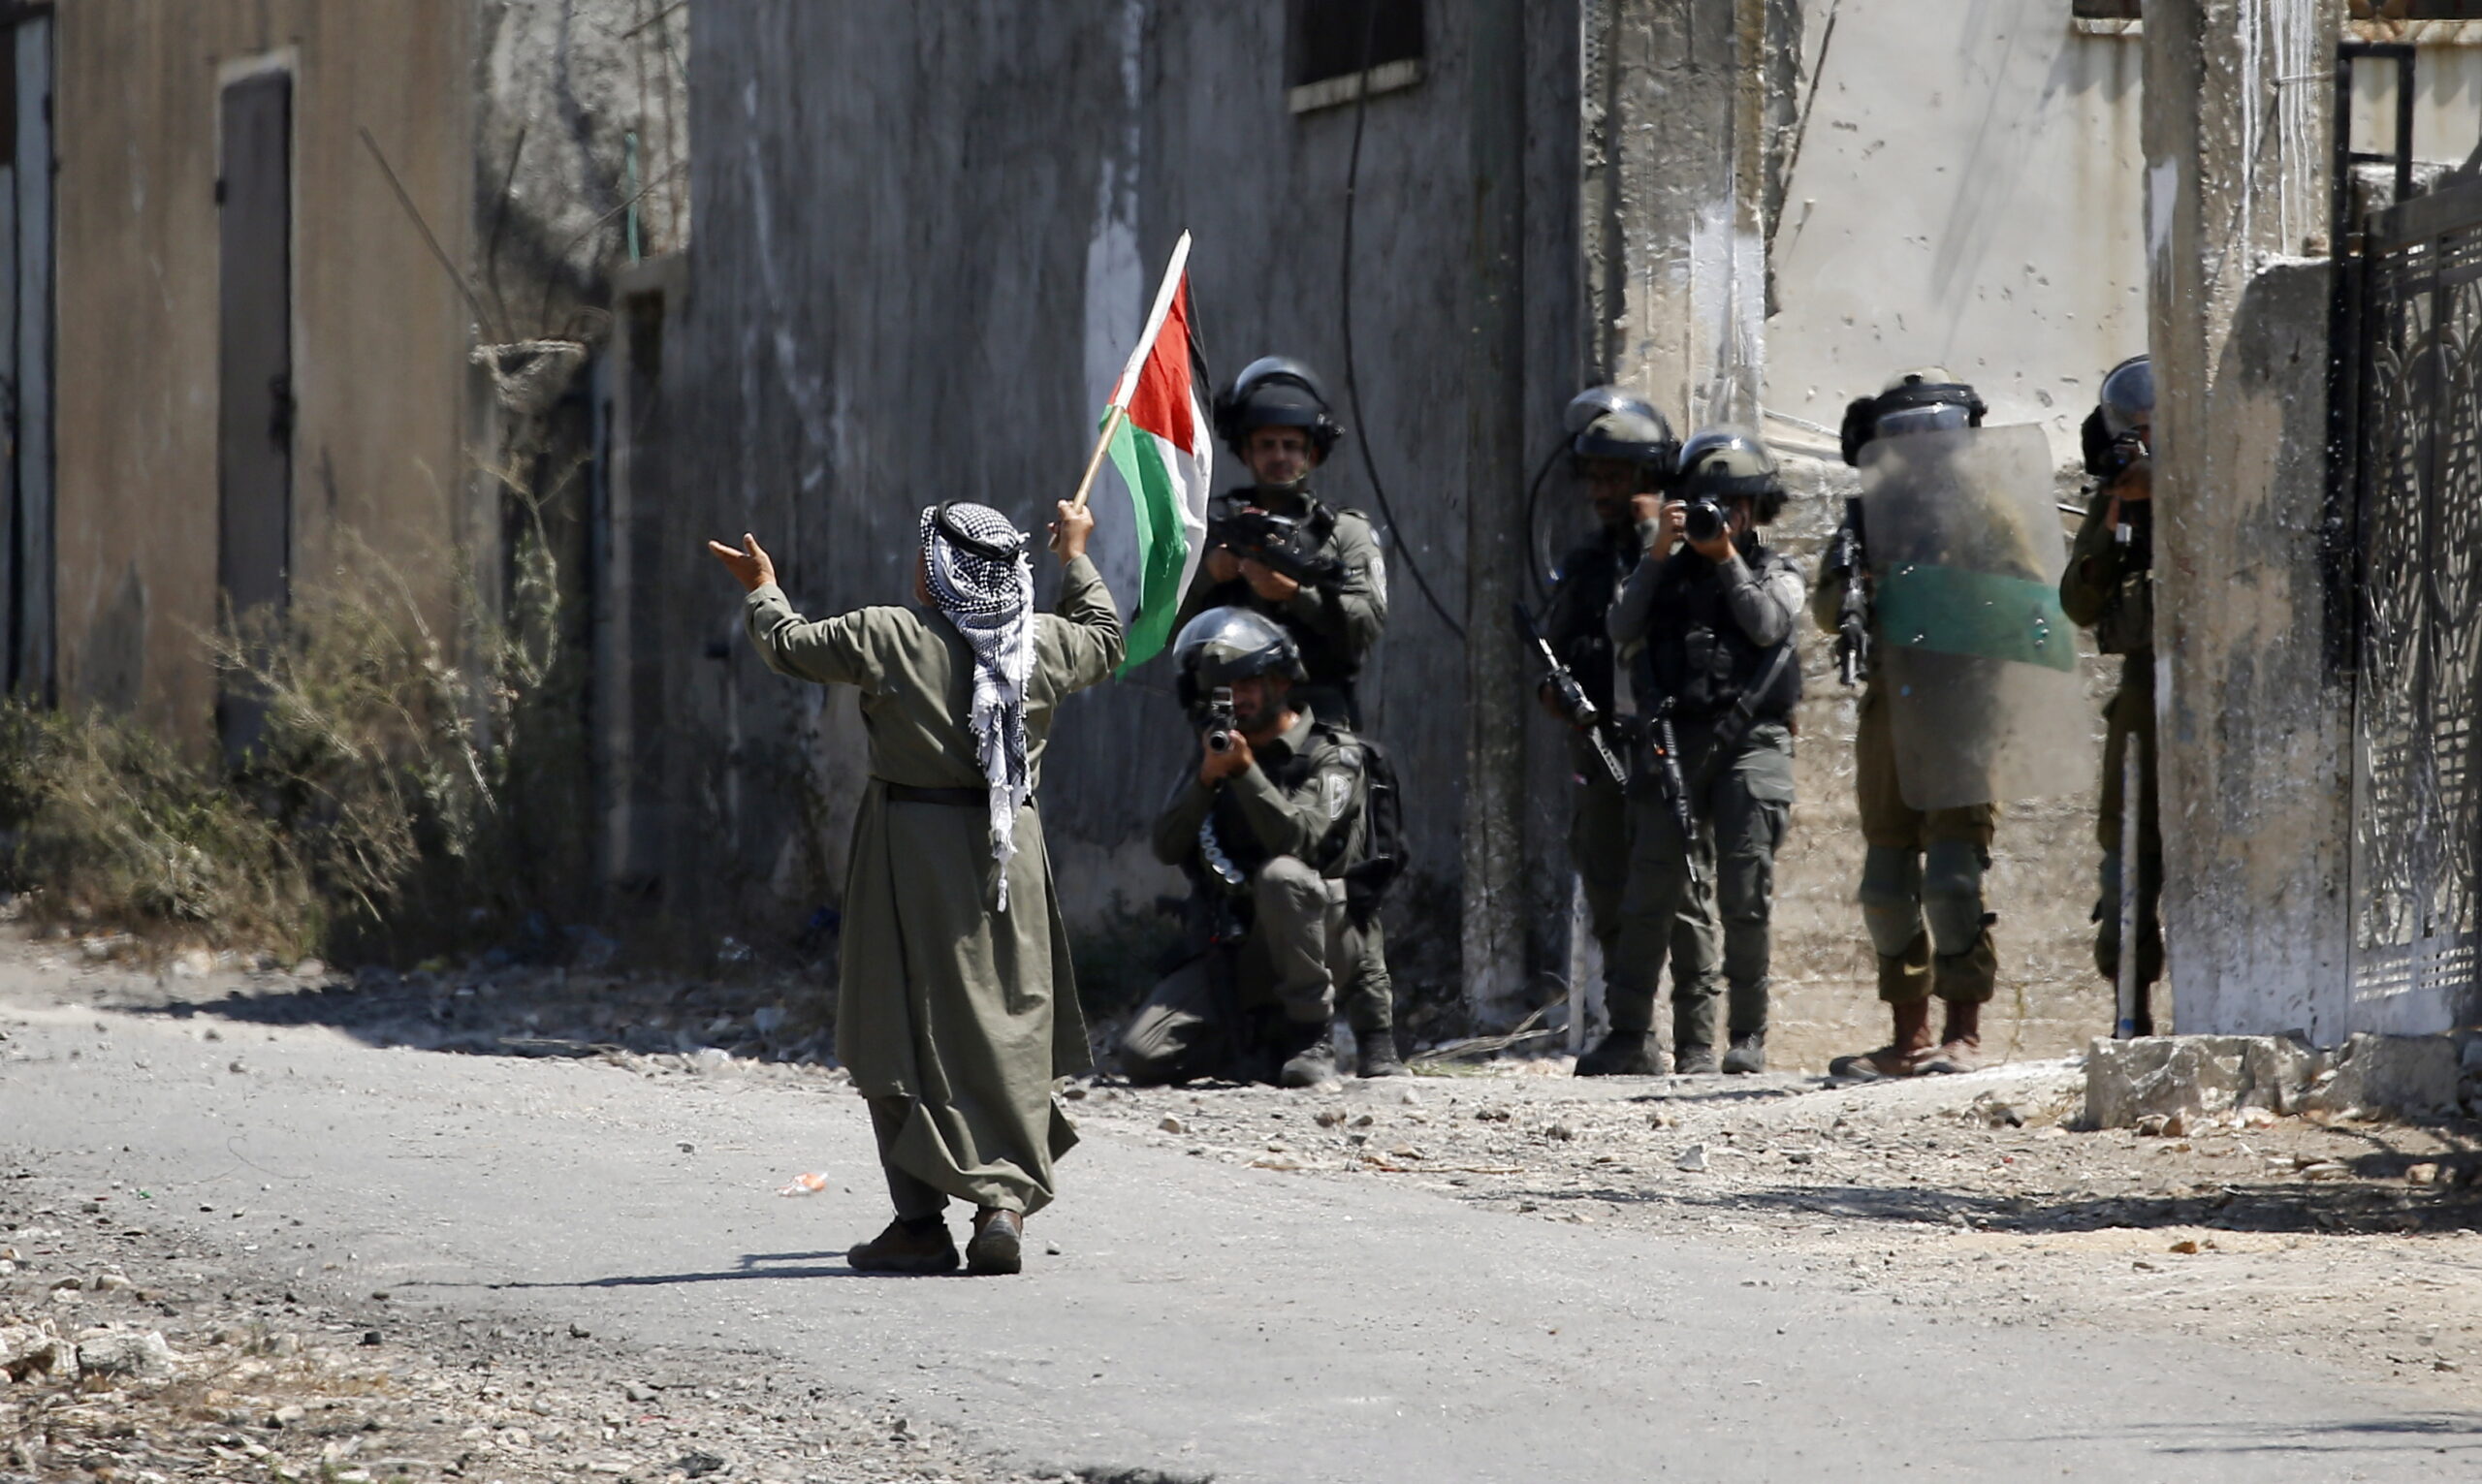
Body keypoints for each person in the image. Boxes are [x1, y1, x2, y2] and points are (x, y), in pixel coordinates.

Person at [708, 498, 1121, 1277]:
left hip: (908, 852)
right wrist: (1075, 553)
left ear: (935, 573)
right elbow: (1105, 637)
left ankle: (919, 1221)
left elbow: (789, 645)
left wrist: (763, 585)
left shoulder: (889, 634)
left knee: (892, 1020)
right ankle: (1002, 1204)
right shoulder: (1043, 643)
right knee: (1012, 1025)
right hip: (1011, 855)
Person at [1171, 356, 1401, 1073]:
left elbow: (1364, 625)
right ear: (1245, 450)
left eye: (1292, 446)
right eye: (1267, 444)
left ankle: (1374, 1036)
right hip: (1231, 725)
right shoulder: (1218, 533)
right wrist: (1211, 580)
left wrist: (1290, 591)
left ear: (1314, 453)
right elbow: (1163, 635)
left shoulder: (1344, 535)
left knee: (1344, 879)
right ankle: (1257, 1026)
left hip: (1321, 730)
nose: (1279, 456)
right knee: (1218, 868)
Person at [1576, 427, 1804, 1078]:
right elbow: (1621, 627)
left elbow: (1765, 623)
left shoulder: (1775, 570)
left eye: (1734, 504)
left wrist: (1726, 554)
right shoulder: (1661, 572)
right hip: (1675, 738)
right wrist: (1659, 552)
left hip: (1751, 740)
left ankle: (1747, 1034)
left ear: (1756, 509)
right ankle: (1628, 1033)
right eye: (1706, 502)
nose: (1720, 514)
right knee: (1650, 887)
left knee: (1744, 885)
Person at [1814, 369, 2001, 1078]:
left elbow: (2028, 599)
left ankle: (1964, 1031)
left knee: (1952, 879)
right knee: (1888, 885)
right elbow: (1828, 610)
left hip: (1961, 709)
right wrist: (1864, 581)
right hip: (1891, 713)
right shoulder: (1865, 519)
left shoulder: (1985, 513)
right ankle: (1909, 1035)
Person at [1121, 608, 1392, 1088]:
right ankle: (1261, 1042)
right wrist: (1208, 778)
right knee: (1143, 1056)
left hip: (1326, 940)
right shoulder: (1218, 750)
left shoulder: (1334, 755)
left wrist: (1246, 774)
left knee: (1281, 876)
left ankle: (1312, 1038)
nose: (1236, 701)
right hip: (1244, 945)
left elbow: (1302, 841)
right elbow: (1167, 846)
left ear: (1282, 682)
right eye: (1223, 691)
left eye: (1247, 685)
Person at [2060, 355, 2161, 1033]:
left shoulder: (2213, 475)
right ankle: (2132, 1008)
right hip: (2142, 687)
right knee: (2128, 852)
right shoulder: (2119, 492)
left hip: (2217, 688)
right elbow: (2077, 600)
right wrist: (2119, 506)